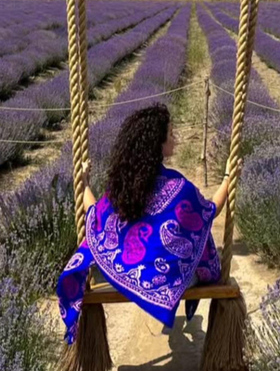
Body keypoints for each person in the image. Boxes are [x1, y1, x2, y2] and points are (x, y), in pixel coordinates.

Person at [57, 103, 237, 344]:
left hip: (122, 277)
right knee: (201, 251)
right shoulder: (179, 189)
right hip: (165, 285)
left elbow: (95, 213)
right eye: (171, 133)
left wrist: (85, 184)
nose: (176, 138)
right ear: (158, 144)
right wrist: (228, 177)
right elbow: (210, 211)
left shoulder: (123, 187)